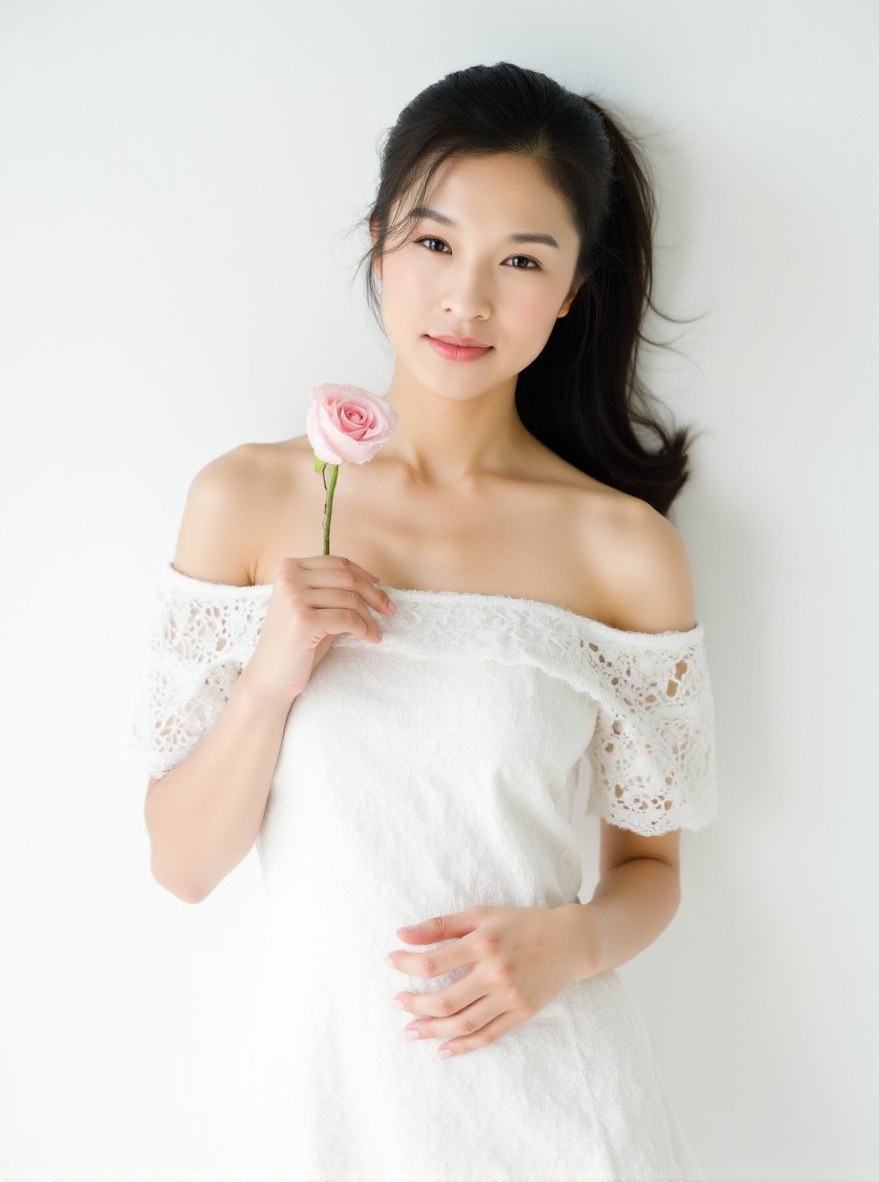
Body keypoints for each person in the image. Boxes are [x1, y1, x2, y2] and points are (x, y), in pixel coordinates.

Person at [129, 60, 719, 1182]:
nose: (467, 299)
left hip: (561, 1110)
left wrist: (573, 944)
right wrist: (271, 673)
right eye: (436, 243)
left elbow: (652, 865)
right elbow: (181, 862)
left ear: (573, 288)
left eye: (522, 261)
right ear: (379, 241)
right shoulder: (246, 500)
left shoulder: (622, 548)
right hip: (323, 1106)